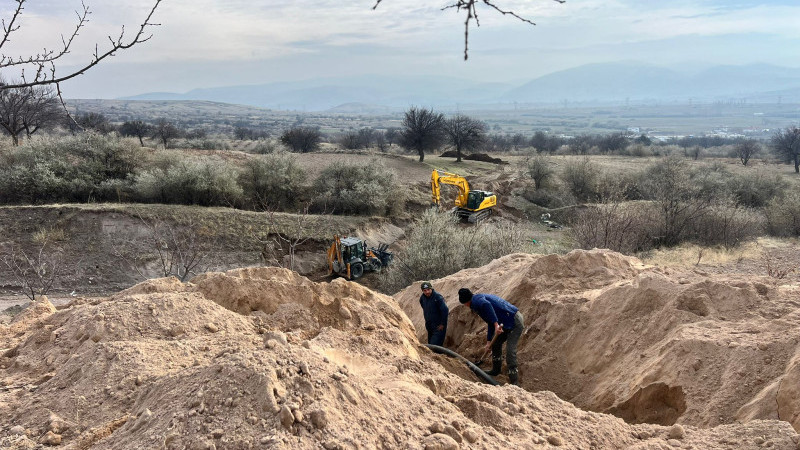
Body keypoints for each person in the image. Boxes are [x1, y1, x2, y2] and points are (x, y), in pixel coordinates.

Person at [459, 287, 524, 385]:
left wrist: (496, 324)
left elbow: (487, 305)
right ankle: (496, 370)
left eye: (464, 304)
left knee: (510, 351)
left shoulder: (477, 301)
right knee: (495, 344)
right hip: (505, 322)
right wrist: (488, 342)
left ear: (466, 302)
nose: (465, 306)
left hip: (514, 321)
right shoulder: (476, 302)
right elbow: (490, 322)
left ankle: (514, 381)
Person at [419, 281, 449, 346]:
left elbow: (445, 310)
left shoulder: (438, 297)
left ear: (431, 288)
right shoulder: (422, 298)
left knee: (434, 346)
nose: (427, 292)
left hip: (438, 326)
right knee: (431, 345)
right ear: (422, 291)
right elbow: (424, 308)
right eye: (425, 290)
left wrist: (442, 324)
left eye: (428, 289)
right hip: (429, 326)